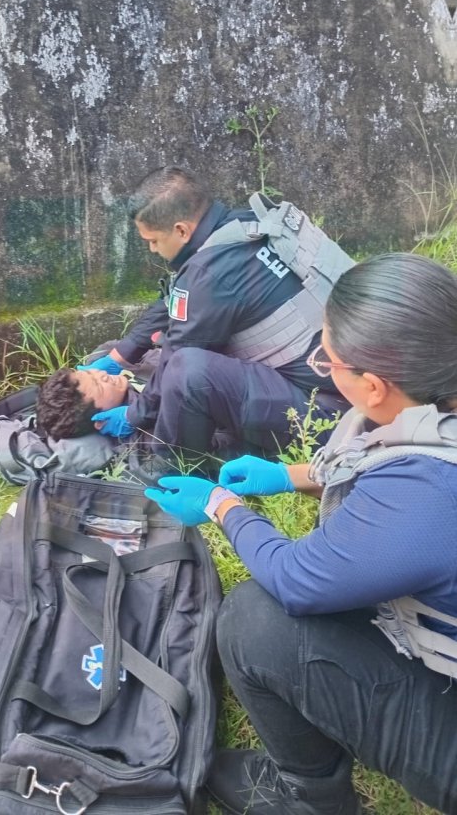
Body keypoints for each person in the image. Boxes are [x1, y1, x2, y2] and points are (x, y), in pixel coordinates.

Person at [145, 252, 457, 815]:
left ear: (374, 386)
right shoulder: (440, 395)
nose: (322, 365)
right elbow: (390, 455)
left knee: (255, 622)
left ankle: (311, 798)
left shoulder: (429, 495)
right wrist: (293, 477)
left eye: (328, 359)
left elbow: (296, 579)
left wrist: (222, 505)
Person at [85, 166, 350, 464]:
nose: (152, 249)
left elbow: (178, 360)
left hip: (330, 419)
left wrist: (136, 414)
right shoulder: (250, 224)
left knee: (188, 370)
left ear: (181, 230)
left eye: (153, 240)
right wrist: (122, 354)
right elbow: (179, 298)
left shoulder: (208, 273)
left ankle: (178, 469)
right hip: (364, 386)